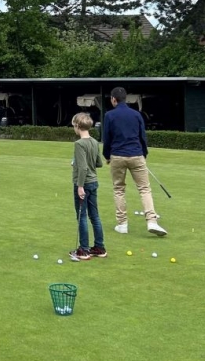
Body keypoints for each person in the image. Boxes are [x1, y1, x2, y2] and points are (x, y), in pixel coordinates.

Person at [102, 86, 167, 237]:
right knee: (144, 188)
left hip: (117, 156)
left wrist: (107, 156)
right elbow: (142, 137)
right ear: (126, 99)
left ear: (113, 99)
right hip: (136, 154)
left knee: (119, 189)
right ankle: (151, 220)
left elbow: (107, 138)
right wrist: (144, 154)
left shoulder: (109, 115)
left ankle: (122, 224)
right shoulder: (136, 114)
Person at [69, 112, 106, 261]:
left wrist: (79, 186)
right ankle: (99, 247)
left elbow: (83, 168)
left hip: (83, 184)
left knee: (82, 216)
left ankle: (83, 250)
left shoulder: (79, 144)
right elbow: (99, 163)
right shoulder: (94, 142)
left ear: (77, 126)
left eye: (74, 126)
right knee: (94, 216)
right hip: (94, 182)